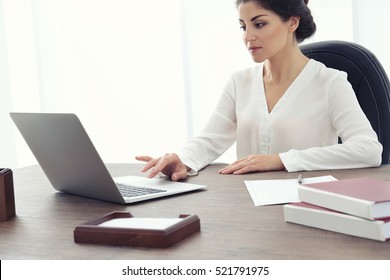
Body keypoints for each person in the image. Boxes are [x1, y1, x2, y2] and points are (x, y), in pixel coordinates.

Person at [136, 0, 382, 181]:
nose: (248, 37)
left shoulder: (330, 82)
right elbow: (210, 140)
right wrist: (183, 159)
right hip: (249, 204)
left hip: (307, 202)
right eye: (243, 27)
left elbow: (369, 150)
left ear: (292, 22)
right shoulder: (239, 82)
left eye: (259, 24)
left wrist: (281, 160)